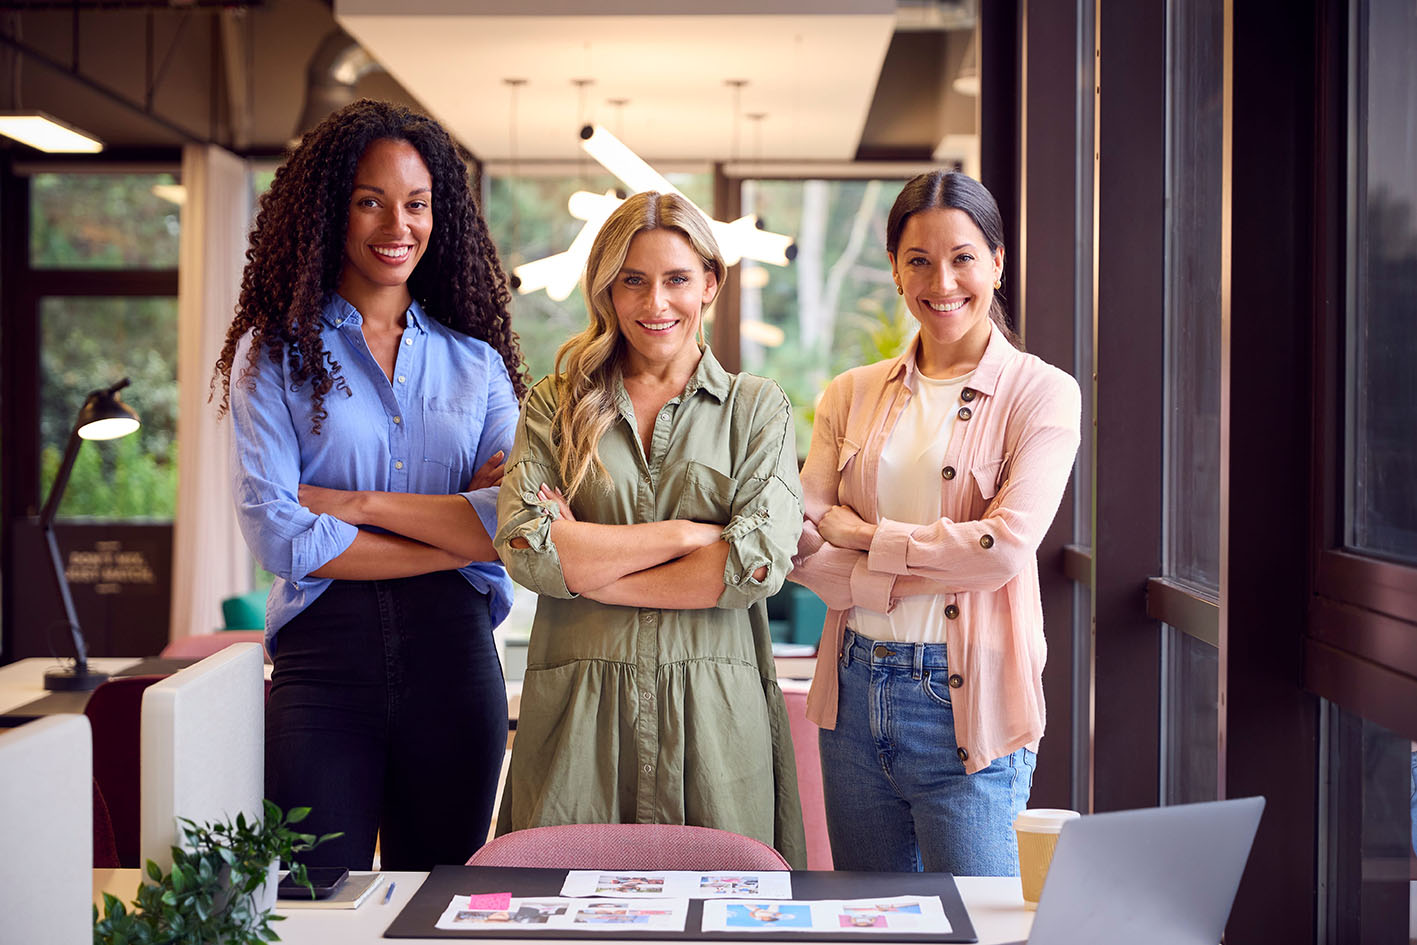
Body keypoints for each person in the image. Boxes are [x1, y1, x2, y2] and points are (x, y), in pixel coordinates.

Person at [213, 99, 526, 870]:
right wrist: (454, 535)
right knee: (309, 897)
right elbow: (279, 534)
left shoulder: (478, 365)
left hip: (454, 662)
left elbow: (515, 525)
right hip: (324, 666)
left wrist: (348, 506)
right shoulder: (274, 356)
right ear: (330, 213)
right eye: (369, 201)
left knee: (441, 902)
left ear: (437, 215)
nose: (397, 224)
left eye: (415, 203)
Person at [492, 191, 807, 867]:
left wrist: (592, 572)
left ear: (710, 284)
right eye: (631, 279)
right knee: (561, 915)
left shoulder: (757, 410)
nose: (653, 302)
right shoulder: (556, 403)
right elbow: (528, 547)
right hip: (577, 715)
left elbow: (752, 564)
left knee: (723, 912)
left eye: (676, 279)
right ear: (606, 288)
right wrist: (682, 535)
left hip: (715, 718)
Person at [789, 170, 1081, 875]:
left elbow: (1002, 549)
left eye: (962, 257)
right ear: (893, 268)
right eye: (918, 259)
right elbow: (796, 534)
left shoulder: (1041, 393)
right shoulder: (848, 393)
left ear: (997, 262)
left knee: (976, 925)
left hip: (968, 706)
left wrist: (860, 536)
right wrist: (879, 567)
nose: (941, 280)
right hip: (853, 697)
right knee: (868, 923)